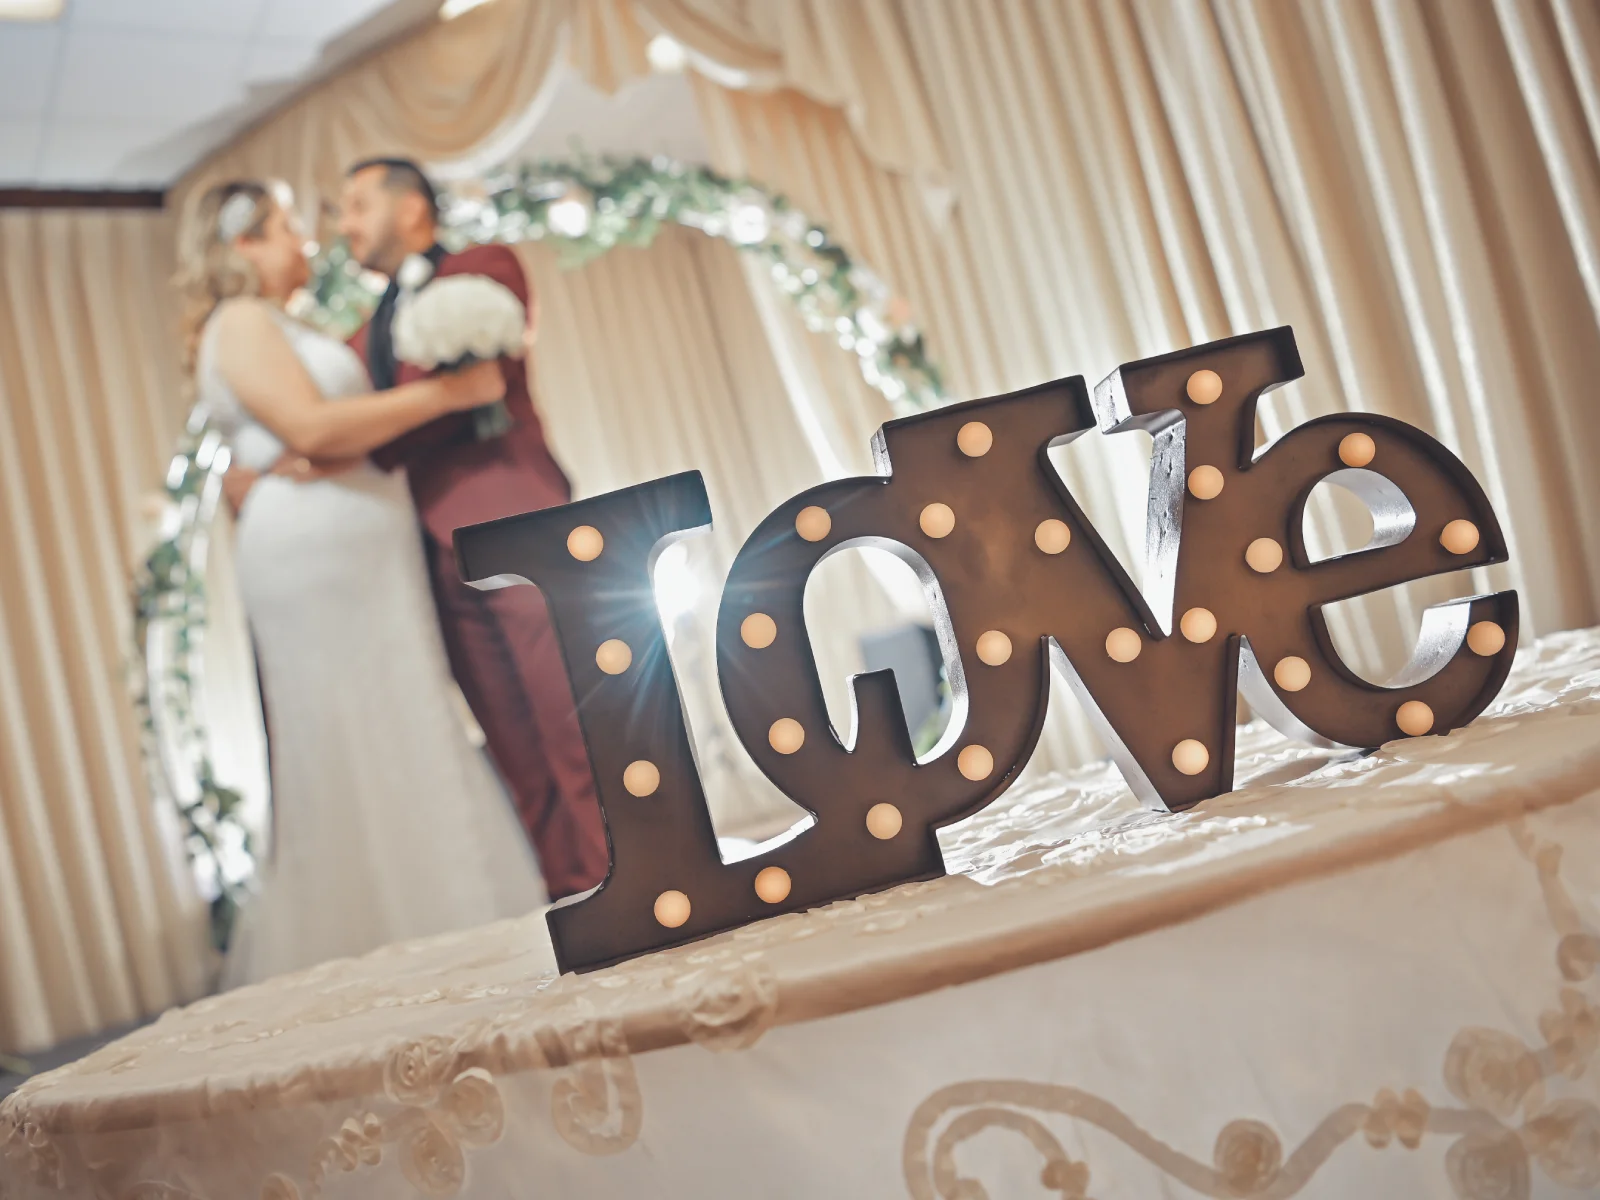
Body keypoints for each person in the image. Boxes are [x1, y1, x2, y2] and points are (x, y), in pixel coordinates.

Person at [179, 179, 546, 986]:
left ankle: (450, 916)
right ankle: (394, 950)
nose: (306, 245)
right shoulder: (239, 321)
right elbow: (308, 427)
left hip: (364, 553)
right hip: (316, 558)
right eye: (285, 231)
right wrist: (450, 392)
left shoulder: (290, 324)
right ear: (241, 246)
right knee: (352, 734)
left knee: (403, 718)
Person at [227, 159, 610, 902]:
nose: (344, 225)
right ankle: (575, 901)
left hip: (513, 519)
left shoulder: (483, 268)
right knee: (509, 739)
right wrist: (281, 461)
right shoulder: (364, 332)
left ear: (412, 210)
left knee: (570, 719)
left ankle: (629, 882)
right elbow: (348, 422)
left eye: (358, 205)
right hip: (428, 556)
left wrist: (335, 440)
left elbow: (425, 405)